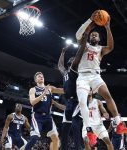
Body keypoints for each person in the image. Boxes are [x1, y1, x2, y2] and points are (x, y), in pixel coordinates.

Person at [75, 10, 127, 145]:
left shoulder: (101, 50)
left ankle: (118, 122)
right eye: (92, 34)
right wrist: (89, 21)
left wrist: (108, 27)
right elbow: (78, 34)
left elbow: (111, 46)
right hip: (83, 76)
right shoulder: (84, 45)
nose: (93, 36)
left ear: (98, 39)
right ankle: (89, 130)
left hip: (95, 75)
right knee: (82, 103)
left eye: (96, 35)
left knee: (108, 96)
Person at [57, 26, 91, 150]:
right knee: (65, 126)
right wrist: (62, 52)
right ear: (69, 63)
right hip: (69, 101)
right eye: (71, 60)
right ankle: (63, 148)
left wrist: (84, 41)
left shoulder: (74, 69)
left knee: (76, 125)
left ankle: (79, 147)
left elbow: (79, 54)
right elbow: (60, 66)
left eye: (74, 60)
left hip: (78, 100)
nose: (73, 60)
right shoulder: (65, 72)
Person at [24, 72, 64, 150]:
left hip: (48, 116)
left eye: (42, 76)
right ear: (36, 80)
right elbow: (32, 102)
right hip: (37, 116)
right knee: (34, 138)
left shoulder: (50, 88)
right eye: (39, 76)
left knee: (56, 138)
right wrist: (43, 94)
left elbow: (63, 90)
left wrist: (75, 87)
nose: (41, 77)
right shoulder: (33, 89)